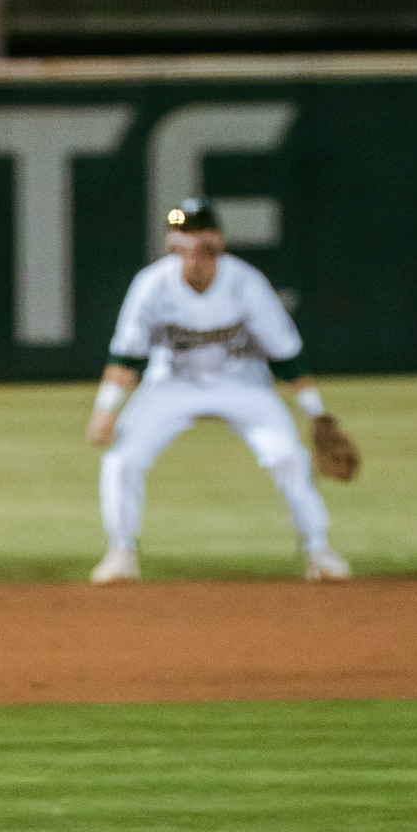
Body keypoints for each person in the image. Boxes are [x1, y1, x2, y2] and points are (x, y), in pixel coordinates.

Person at [86, 198, 350, 582]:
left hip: (242, 384)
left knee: (288, 456)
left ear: (217, 239)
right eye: (181, 231)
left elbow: (286, 357)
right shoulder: (151, 285)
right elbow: (126, 358)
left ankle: (319, 549)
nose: (190, 239)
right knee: (121, 460)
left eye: (198, 230)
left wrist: (316, 413)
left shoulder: (246, 283)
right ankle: (120, 553)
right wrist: (104, 409)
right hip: (171, 385)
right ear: (170, 241)